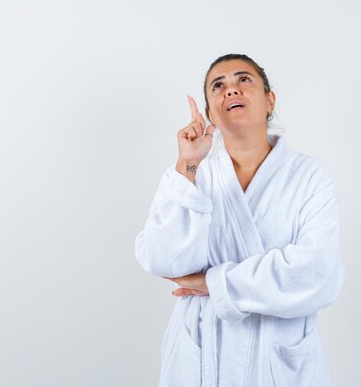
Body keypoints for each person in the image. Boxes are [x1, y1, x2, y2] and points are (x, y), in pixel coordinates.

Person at [134, 53, 345, 387]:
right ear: (209, 115)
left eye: (243, 80)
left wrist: (213, 284)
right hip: (203, 355)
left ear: (269, 99)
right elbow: (163, 260)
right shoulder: (190, 176)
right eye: (218, 86)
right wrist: (188, 164)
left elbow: (316, 274)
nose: (230, 89)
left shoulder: (309, 176)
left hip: (278, 360)